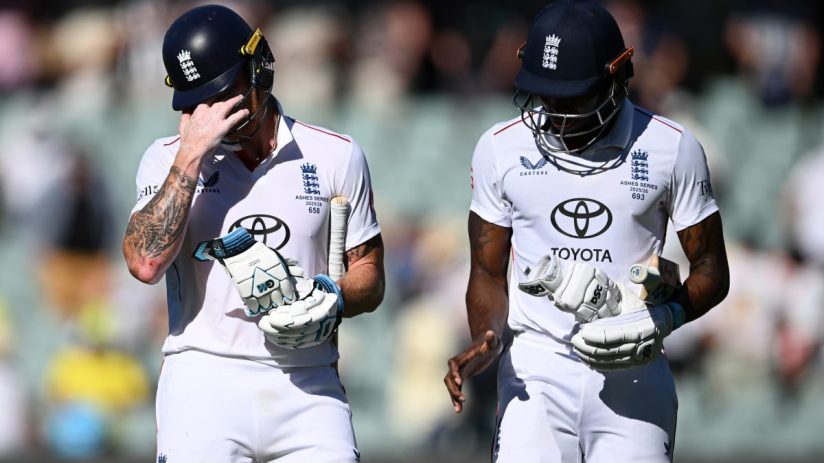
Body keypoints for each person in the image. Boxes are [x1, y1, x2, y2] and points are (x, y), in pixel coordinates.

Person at [443, 1, 729, 462]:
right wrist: (487, 335)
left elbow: (712, 269)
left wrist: (662, 319)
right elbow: (488, 273)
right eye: (544, 95)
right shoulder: (500, 148)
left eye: (570, 96)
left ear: (617, 76)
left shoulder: (671, 147)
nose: (554, 113)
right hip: (534, 368)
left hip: (633, 369)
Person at [122, 5, 384, 462]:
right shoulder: (165, 158)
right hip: (203, 378)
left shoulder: (335, 155)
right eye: (197, 102)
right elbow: (144, 262)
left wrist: (332, 297)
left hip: (308, 381)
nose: (214, 112)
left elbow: (371, 274)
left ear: (259, 69)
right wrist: (191, 155)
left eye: (224, 94)